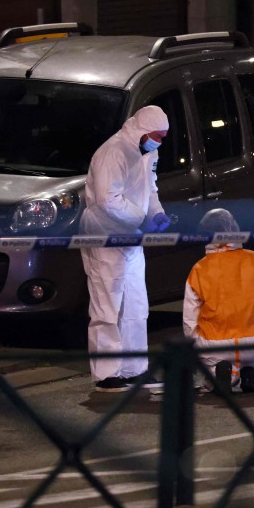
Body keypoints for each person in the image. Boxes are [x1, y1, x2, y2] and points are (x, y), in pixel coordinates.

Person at [80, 105, 172, 393]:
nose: (160, 142)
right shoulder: (114, 152)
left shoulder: (147, 151)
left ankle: (134, 369)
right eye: (158, 136)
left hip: (131, 236)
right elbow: (108, 200)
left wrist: (156, 214)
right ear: (143, 131)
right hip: (105, 234)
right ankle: (107, 374)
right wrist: (142, 218)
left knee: (135, 305)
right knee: (106, 305)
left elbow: (151, 189)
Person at [182, 209, 254, 394]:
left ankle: (228, 374)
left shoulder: (199, 268)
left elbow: (189, 319)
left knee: (211, 377)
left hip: (215, 345)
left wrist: (195, 347)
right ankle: (250, 371)